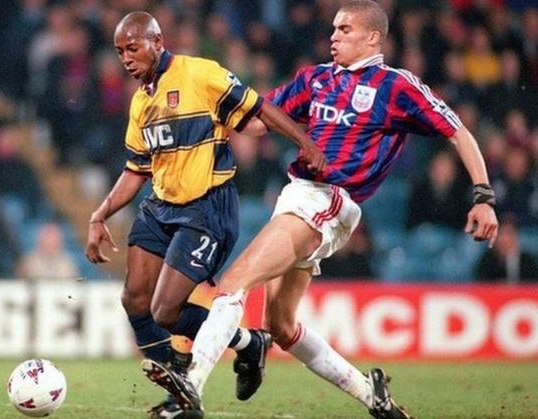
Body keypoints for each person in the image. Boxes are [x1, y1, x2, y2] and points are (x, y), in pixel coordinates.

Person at [141, 2, 499, 418]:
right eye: (333, 28)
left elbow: (458, 133)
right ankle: (373, 396)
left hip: (329, 199)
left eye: (345, 29)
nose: (334, 36)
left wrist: (483, 196)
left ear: (373, 38)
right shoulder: (315, 79)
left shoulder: (396, 86)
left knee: (234, 282)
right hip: (297, 196)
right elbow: (257, 121)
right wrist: (209, 112)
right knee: (280, 325)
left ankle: (193, 385)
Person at [84, 11, 326, 418]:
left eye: (133, 47)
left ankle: (248, 345)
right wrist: (100, 213)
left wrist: (305, 142)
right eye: (119, 51)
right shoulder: (141, 102)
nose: (125, 58)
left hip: (206, 207)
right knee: (135, 299)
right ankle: (181, 386)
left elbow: (258, 107)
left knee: (166, 311)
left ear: (157, 42)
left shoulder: (200, 74)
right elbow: (135, 170)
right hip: (160, 206)